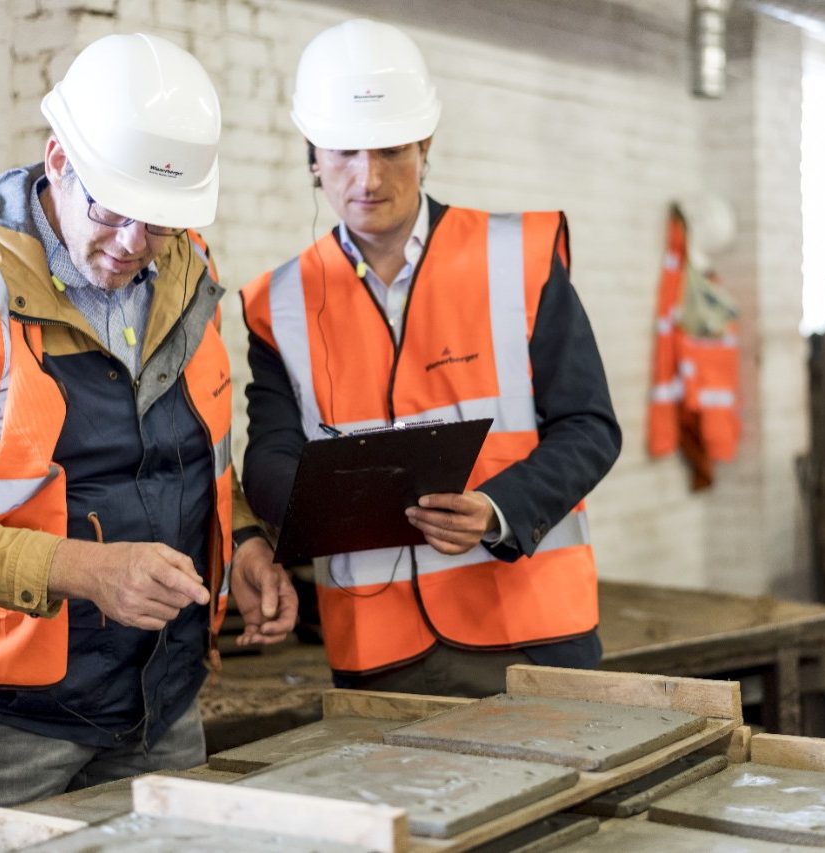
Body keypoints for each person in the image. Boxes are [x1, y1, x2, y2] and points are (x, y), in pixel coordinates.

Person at [0, 33, 297, 828]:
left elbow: (196, 456)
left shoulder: (186, 271)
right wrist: (83, 568)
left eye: (159, 223)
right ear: (58, 160)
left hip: (163, 696)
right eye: (111, 212)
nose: (131, 246)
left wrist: (246, 544)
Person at [241, 19, 621, 698]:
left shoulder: (518, 259)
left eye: (391, 150)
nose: (367, 177)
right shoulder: (279, 301)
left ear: (425, 145)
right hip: (379, 651)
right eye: (344, 152)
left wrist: (498, 507)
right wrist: (319, 502)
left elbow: (589, 426)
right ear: (312, 156)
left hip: (530, 633)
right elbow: (269, 459)